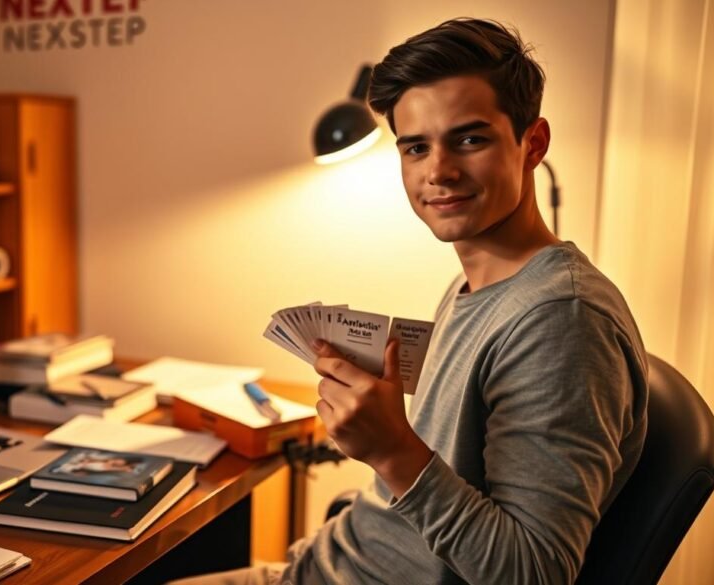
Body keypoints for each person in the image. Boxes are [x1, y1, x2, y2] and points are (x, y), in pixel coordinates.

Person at [170, 17, 648, 585]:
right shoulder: (476, 286)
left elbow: (533, 572)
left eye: (470, 139)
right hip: (325, 564)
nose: (439, 171)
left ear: (533, 144)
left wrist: (393, 451)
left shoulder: (560, 321)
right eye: (416, 148)